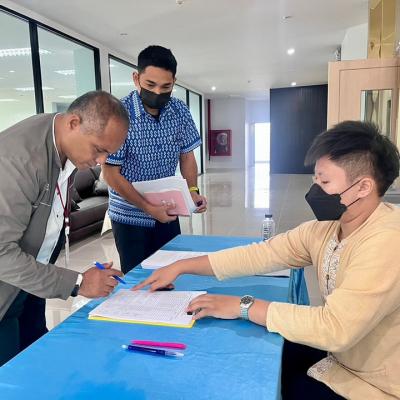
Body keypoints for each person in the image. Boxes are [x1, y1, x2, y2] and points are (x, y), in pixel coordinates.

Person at [134, 121, 400, 400]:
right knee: (247, 362)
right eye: (315, 179)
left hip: (371, 385)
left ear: (363, 187)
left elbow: (335, 328)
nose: (315, 189)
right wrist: (181, 266)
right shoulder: (326, 229)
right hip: (339, 358)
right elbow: (261, 254)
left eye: (325, 182)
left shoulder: (387, 242)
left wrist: (243, 306)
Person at [0, 90, 129, 366]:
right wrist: (78, 283)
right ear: (73, 123)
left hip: (31, 280)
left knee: (36, 355)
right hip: (6, 288)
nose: (102, 161)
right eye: (99, 149)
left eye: (108, 153)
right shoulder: (19, 160)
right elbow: (1, 255)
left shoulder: (63, 143)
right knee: (11, 370)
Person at [103, 45, 207, 274]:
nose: (158, 92)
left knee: (170, 274)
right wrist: (148, 208)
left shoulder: (179, 110)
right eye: (150, 85)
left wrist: (192, 191)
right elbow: (110, 173)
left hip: (168, 210)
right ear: (136, 78)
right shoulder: (119, 114)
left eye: (165, 87)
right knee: (137, 278)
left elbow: (187, 156)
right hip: (129, 216)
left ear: (174, 82)